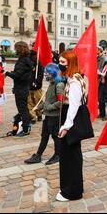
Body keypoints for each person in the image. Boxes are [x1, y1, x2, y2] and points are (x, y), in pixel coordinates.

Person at [56, 50, 88, 202]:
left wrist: (66, 126)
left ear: (70, 63)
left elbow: (74, 106)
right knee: (71, 156)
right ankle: (71, 187)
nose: (60, 65)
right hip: (71, 118)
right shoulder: (73, 78)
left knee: (71, 157)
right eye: (59, 61)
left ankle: (72, 191)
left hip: (72, 121)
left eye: (63, 63)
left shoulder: (75, 81)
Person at [25, 64, 65, 165]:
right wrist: (39, 107)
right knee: (44, 135)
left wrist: (48, 107)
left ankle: (58, 155)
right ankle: (38, 155)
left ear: (53, 73)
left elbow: (61, 102)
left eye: (48, 72)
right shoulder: (51, 84)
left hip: (54, 116)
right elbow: (47, 101)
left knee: (55, 136)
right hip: (47, 116)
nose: (45, 74)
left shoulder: (59, 85)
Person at [5, 42, 34, 137]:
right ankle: (28, 120)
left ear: (20, 49)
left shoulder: (23, 61)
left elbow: (18, 75)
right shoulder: (25, 59)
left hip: (21, 89)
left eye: (16, 48)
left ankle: (25, 129)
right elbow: (20, 73)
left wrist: (7, 73)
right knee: (23, 109)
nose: (15, 50)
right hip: (22, 87)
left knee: (22, 110)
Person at [28, 50, 44, 123]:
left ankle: (39, 114)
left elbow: (40, 75)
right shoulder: (28, 63)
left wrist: (37, 82)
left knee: (38, 101)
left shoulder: (39, 65)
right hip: (29, 86)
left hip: (37, 87)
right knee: (30, 102)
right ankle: (33, 117)